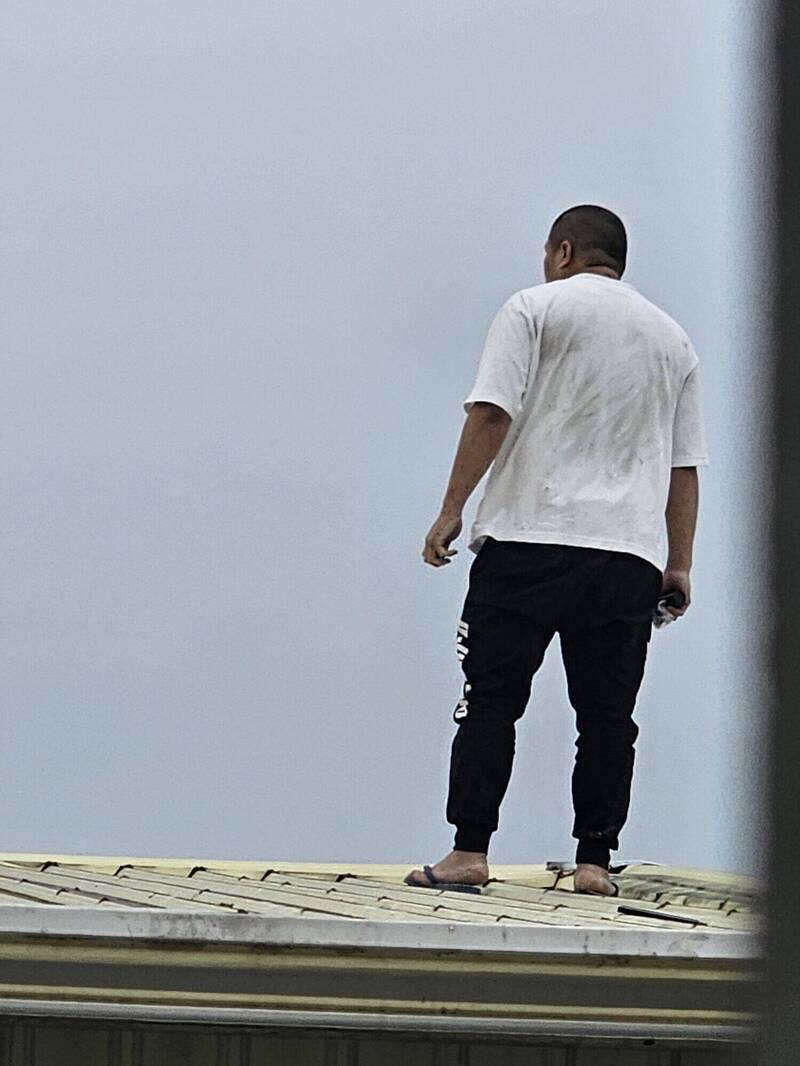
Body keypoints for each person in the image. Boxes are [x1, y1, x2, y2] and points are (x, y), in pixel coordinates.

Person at [405, 205, 709, 897]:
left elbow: (492, 411)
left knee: (490, 700)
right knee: (607, 718)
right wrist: (680, 562)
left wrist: (451, 510)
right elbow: (683, 466)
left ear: (564, 251)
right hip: (625, 555)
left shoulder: (533, 308)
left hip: (526, 539)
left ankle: (469, 851)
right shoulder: (673, 340)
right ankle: (594, 862)